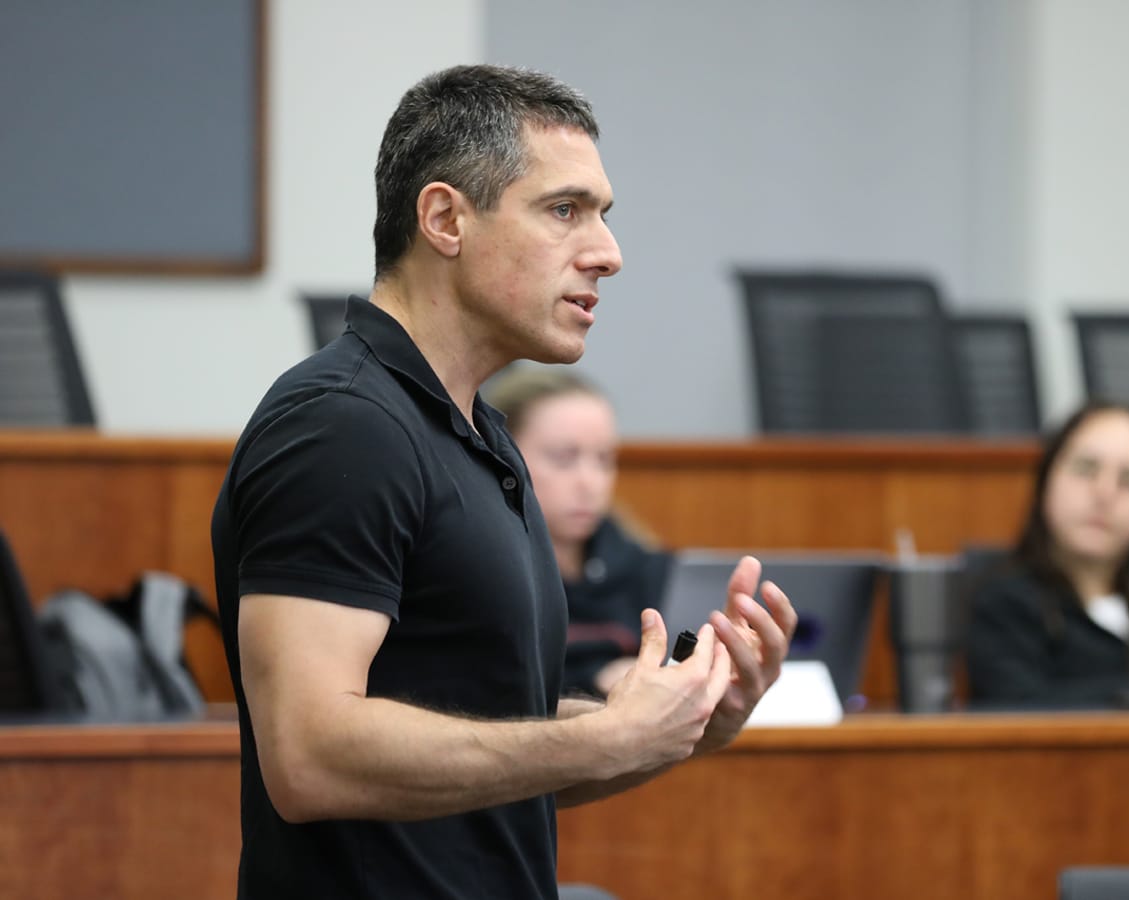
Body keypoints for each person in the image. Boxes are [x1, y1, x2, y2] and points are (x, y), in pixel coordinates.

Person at [210, 64, 796, 899]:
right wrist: (606, 738)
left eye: (602, 216)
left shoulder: (482, 437)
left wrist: (678, 725)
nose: (609, 254)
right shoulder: (339, 425)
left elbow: (493, 756)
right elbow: (308, 755)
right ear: (445, 218)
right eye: (565, 211)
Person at [964, 401, 1129, 709]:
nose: (1105, 493)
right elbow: (1020, 713)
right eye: (1086, 469)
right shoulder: (1003, 603)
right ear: (1045, 482)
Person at [483, 366, 668, 698]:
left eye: (603, 459)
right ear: (503, 457)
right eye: (564, 458)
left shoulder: (645, 566)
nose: (590, 483)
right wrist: (596, 678)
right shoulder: (478, 574)